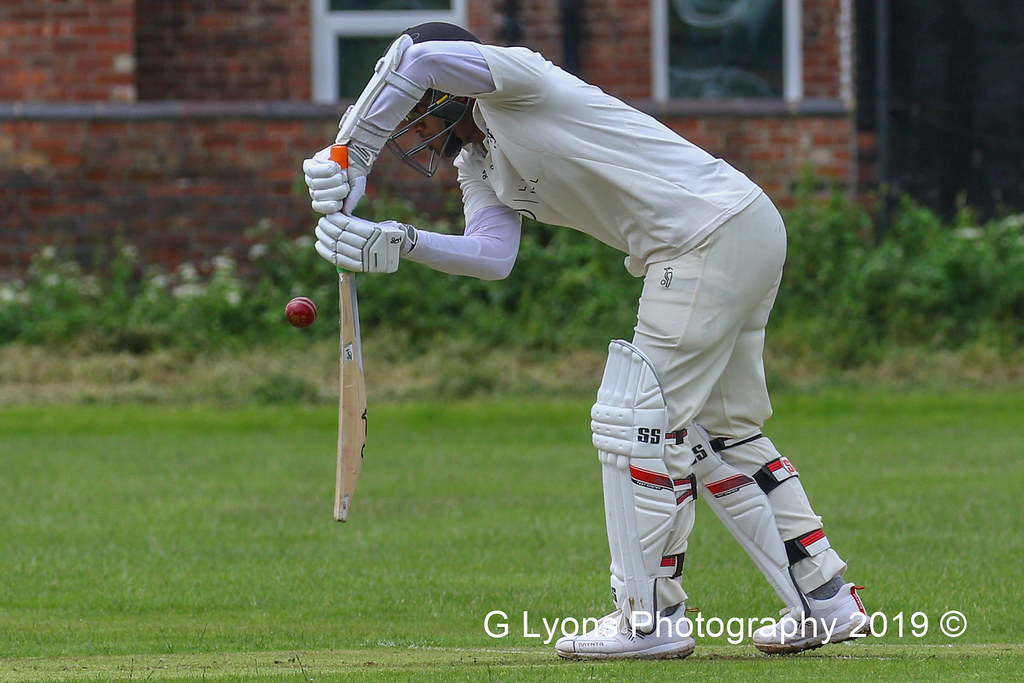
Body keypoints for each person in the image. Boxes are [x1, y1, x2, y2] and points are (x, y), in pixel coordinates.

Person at [302, 22, 867, 660]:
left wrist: (349, 153)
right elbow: (492, 256)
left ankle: (646, 619)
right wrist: (403, 243)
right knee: (721, 430)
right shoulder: (477, 160)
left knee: (638, 420)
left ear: (452, 90)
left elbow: (419, 56)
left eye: (421, 107)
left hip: (703, 237)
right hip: (734, 227)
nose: (414, 124)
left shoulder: (517, 78)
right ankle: (826, 599)